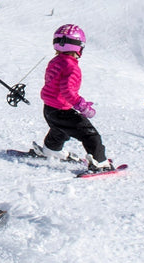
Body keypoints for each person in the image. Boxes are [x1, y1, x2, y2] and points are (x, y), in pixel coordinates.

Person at [30, 24, 112, 171]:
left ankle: (51, 149)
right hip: (62, 110)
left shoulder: (55, 61)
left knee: (59, 129)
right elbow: (67, 90)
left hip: (49, 109)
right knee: (89, 133)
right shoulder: (71, 66)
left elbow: (55, 86)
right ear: (78, 47)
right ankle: (99, 161)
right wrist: (82, 105)